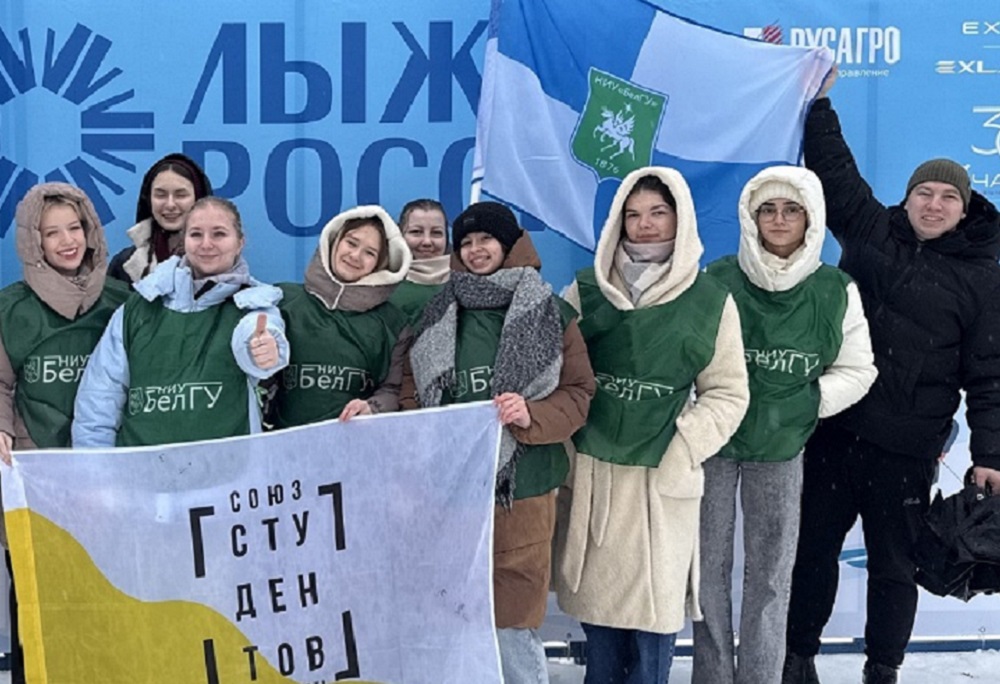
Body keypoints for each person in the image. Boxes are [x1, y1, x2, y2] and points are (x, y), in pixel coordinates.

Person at [782, 71, 1000, 684]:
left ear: (964, 209)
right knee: (811, 554)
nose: (934, 204)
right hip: (834, 431)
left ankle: (883, 668)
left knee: (894, 568)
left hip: (907, 448)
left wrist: (990, 454)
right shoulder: (871, 229)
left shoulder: (983, 278)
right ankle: (797, 659)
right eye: (924, 192)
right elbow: (834, 173)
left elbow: (989, 375)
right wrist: (817, 101)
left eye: (948, 197)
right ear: (906, 199)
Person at [554, 167, 750, 683]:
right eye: (633, 214)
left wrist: (685, 445)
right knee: (600, 625)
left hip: (660, 477)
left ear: (679, 218)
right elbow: (555, 372)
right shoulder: (585, 291)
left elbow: (729, 392)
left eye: (657, 212)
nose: (644, 224)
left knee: (653, 624)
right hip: (596, 472)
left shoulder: (710, 301)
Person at [692, 166, 877, 684]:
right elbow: (688, 354)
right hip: (713, 443)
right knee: (705, 569)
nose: (778, 219)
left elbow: (859, 369)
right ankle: (712, 675)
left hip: (782, 446)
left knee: (771, 574)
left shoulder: (835, 289)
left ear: (810, 218)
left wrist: (806, 403)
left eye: (791, 209)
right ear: (750, 218)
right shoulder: (718, 278)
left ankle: (762, 675)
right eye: (767, 209)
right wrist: (700, 406)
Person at [402, 201, 595, 684]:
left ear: (509, 243)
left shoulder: (550, 311)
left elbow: (578, 393)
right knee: (452, 611)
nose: (475, 250)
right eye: (466, 242)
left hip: (523, 485)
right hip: (450, 489)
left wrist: (532, 415)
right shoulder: (435, 314)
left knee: (511, 619)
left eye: (486, 239)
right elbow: (410, 395)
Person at [0, 183, 131, 683]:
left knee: (104, 592)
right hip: (36, 473)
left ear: (91, 231)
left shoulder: (122, 302)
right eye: (51, 233)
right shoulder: (10, 309)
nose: (67, 241)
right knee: (35, 596)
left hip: (104, 478)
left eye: (74, 227)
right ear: (33, 242)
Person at [72, 197, 288, 447]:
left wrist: (262, 350)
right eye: (196, 234)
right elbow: (99, 398)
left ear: (240, 242)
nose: (206, 244)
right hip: (142, 469)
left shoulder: (255, 304)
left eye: (219, 234)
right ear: (184, 240)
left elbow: (256, 335)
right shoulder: (138, 307)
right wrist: (94, 466)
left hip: (227, 468)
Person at [270, 206, 412, 427]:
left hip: (355, 443)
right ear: (334, 241)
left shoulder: (393, 323)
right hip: (282, 443)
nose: (355, 256)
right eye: (351, 243)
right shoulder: (283, 301)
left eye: (370, 253)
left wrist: (373, 407)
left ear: (380, 264)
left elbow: (394, 389)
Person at [108, 153, 212, 284]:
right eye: (160, 195)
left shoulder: (220, 260)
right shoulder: (124, 264)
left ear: (199, 199)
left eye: (181, 195)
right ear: (148, 199)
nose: (170, 205)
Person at [389, 198, 451, 325]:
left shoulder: (466, 286)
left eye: (436, 233)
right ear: (400, 235)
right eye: (416, 232)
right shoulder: (381, 286)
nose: (427, 241)